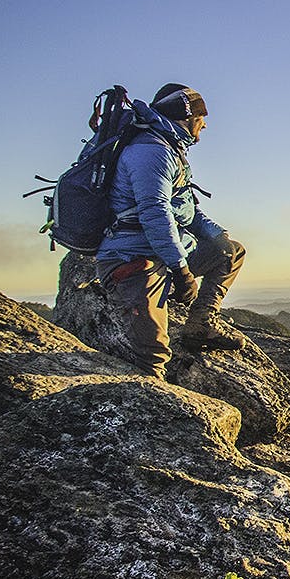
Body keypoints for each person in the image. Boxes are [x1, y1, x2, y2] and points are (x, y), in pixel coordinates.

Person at [95, 83, 246, 380]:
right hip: (133, 257)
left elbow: (187, 208)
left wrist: (218, 236)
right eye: (202, 116)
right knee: (153, 354)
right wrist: (180, 270)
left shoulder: (170, 149)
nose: (205, 123)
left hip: (160, 251)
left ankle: (200, 324)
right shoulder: (152, 152)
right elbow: (156, 213)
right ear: (186, 116)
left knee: (230, 252)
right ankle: (153, 406)